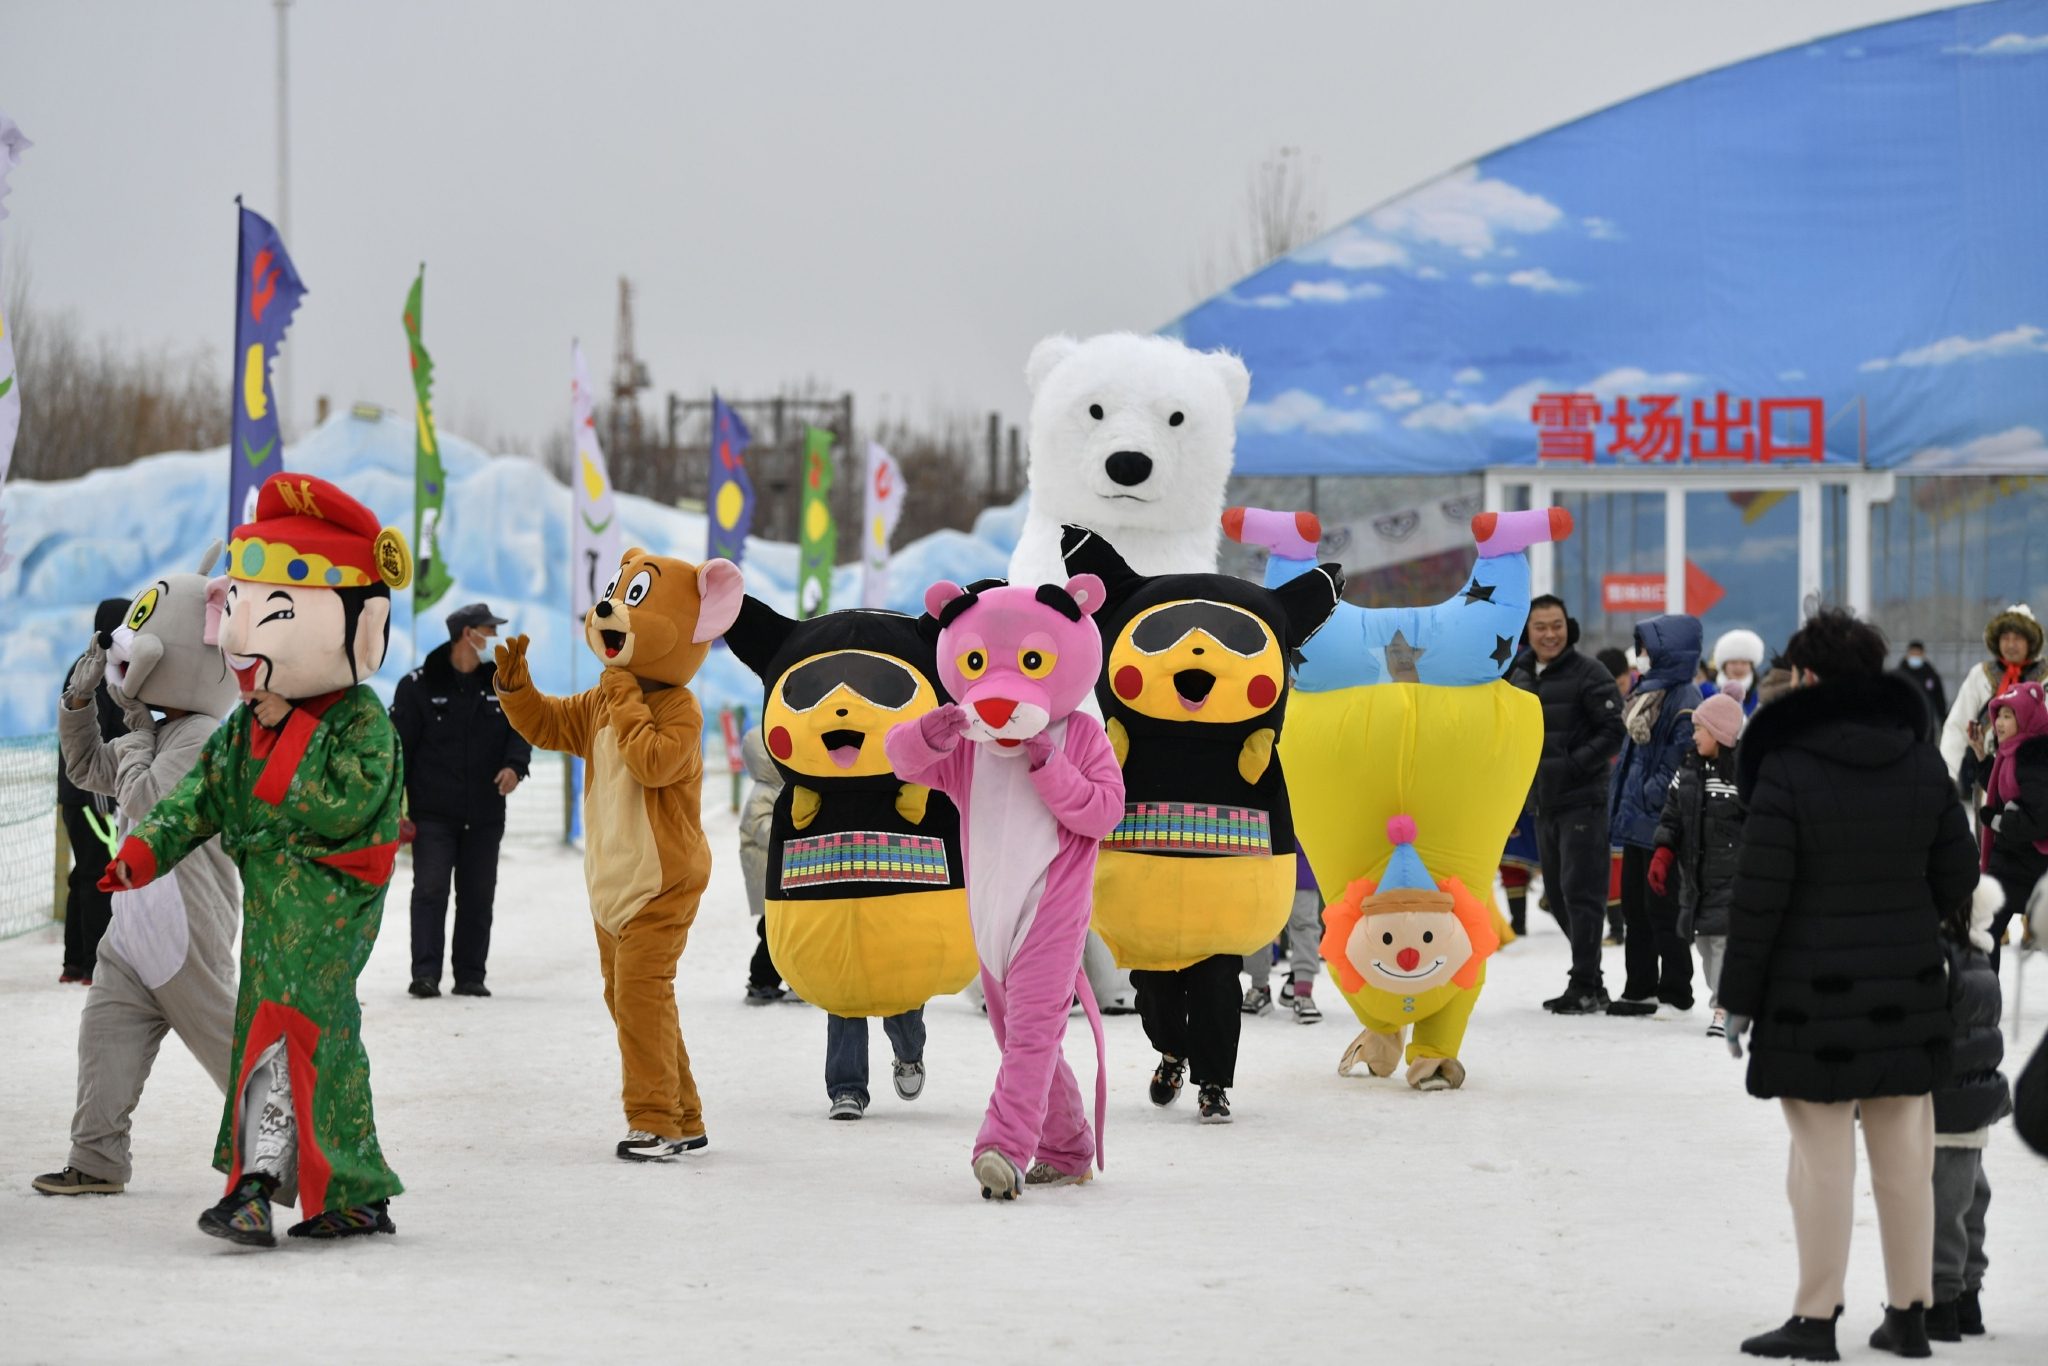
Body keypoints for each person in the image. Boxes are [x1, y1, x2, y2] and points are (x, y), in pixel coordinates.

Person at [1723, 608, 1976, 1361]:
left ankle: (1815, 1316)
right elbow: (1958, 877)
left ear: (1804, 677)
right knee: (1907, 1156)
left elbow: (1759, 895)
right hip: (1906, 984)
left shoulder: (1788, 765)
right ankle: (1910, 1313)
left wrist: (1736, 998)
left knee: (1820, 1160)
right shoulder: (1920, 759)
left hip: (1809, 992)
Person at [391, 603, 531, 999]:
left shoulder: (503, 683)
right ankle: (425, 974)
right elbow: (398, 748)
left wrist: (514, 767)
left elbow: (521, 731)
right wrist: (392, 806)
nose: (496, 639)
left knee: (477, 895)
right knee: (430, 889)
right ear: (468, 634)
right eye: (490, 630)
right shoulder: (417, 686)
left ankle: (470, 975)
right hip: (432, 813)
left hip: (486, 813)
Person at [1507, 595, 1625, 1015]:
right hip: (1542, 801)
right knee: (1557, 896)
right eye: (1540, 626)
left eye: (1556, 624)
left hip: (1582, 800)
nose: (1549, 634)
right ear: (1529, 632)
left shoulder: (1589, 672)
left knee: (1582, 894)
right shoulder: (1519, 673)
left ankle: (1584, 984)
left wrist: (1575, 764)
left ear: (1568, 626)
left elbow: (1614, 730)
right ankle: (1591, 981)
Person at [1927, 877, 2009, 1342]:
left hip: (1946, 1103)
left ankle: (1942, 1299)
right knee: (1971, 1200)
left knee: (1945, 1206)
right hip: (1976, 1100)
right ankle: (1968, 1299)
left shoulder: (1942, 959)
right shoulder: (1979, 957)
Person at [1606, 614, 1701, 1016]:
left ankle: (1676, 990)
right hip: (1637, 820)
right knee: (1634, 907)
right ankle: (1639, 986)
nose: (1639, 657)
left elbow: (1675, 765)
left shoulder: (1684, 699)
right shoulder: (1649, 691)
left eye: (1644, 649)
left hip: (1660, 820)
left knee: (1661, 909)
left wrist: (1645, 796)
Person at [1648, 691, 1746, 1038]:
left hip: (1733, 877)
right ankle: (1728, 999)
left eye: (1699, 729)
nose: (1694, 736)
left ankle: (1724, 1008)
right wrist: (1663, 851)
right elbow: (1672, 814)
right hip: (1697, 878)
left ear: (1719, 733)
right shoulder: (1688, 769)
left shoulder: (1742, 777)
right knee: (1706, 945)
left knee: (1722, 943)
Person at [55, 599, 131, 983]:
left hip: (81, 792)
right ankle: (93, 964)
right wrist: (102, 798)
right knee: (97, 874)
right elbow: (93, 733)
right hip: (90, 794)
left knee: (83, 874)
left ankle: (74, 962)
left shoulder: (97, 666)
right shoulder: (96, 671)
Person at [1969, 679, 2048, 973]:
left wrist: (1998, 821)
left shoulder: (2034, 759)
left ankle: (1986, 1007)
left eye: (2008, 715)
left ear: (2026, 718)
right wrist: (1981, 757)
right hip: (2014, 865)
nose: (1999, 723)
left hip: (2029, 867)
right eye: (1998, 715)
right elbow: (2007, 786)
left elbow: (2040, 820)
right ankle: (1988, 1003)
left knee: (1985, 931)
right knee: (1986, 930)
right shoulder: (2014, 753)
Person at [1939, 604, 2043, 785]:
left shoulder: (2045, 676)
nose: (2011, 644)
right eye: (2005, 638)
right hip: (1989, 778)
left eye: (2018, 638)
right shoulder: (1980, 675)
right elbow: (1957, 726)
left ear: (2030, 641)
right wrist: (1948, 774)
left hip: (2037, 781)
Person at [735, 726, 789, 1004]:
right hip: (767, 876)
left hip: (777, 875)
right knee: (772, 932)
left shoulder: (777, 790)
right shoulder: (762, 794)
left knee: (786, 929)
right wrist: (789, 831)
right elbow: (763, 830)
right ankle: (760, 982)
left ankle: (788, 980)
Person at [1704, 628, 1767, 715]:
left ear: (1751, 665)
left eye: (1744, 663)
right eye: (1733, 662)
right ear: (1724, 665)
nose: (1738, 668)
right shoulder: (1705, 692)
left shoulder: (1763, 694)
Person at [1892, 640, 1947, 728]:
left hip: (1925, 719)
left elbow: (1939, 699)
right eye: (1913, 654)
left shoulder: (1931, 676)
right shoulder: (1899, 676)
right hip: (1903, 721)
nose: (1915, 657)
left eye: (1918, 654)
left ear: (1923, 655)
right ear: (1907, 655)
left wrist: (1942, 719)